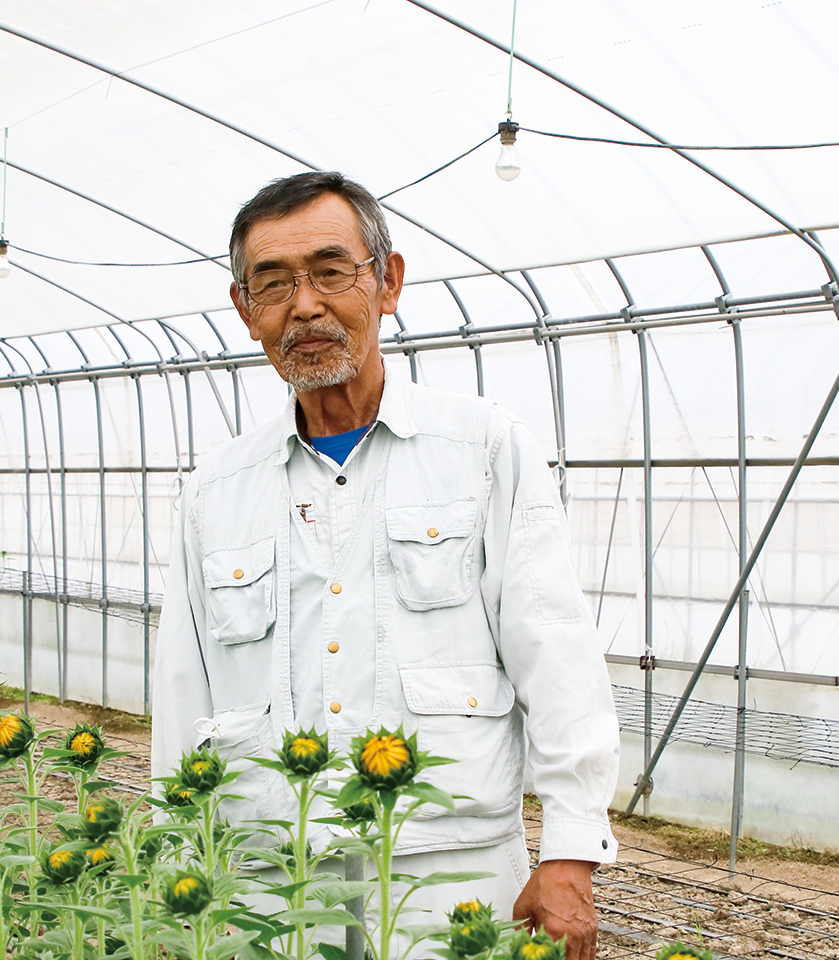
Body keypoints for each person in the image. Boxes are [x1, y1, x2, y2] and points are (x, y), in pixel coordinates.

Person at [151, 171, 620, 960]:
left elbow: (556, 651)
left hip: (450, 870)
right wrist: (171, 864)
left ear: (388, 282)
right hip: (276, 880)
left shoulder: (481, 449)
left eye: (332, 273)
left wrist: (570, 850)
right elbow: (181, 689)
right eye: (273, 284)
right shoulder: (214, 491)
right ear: (245, 311)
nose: (304, 306)